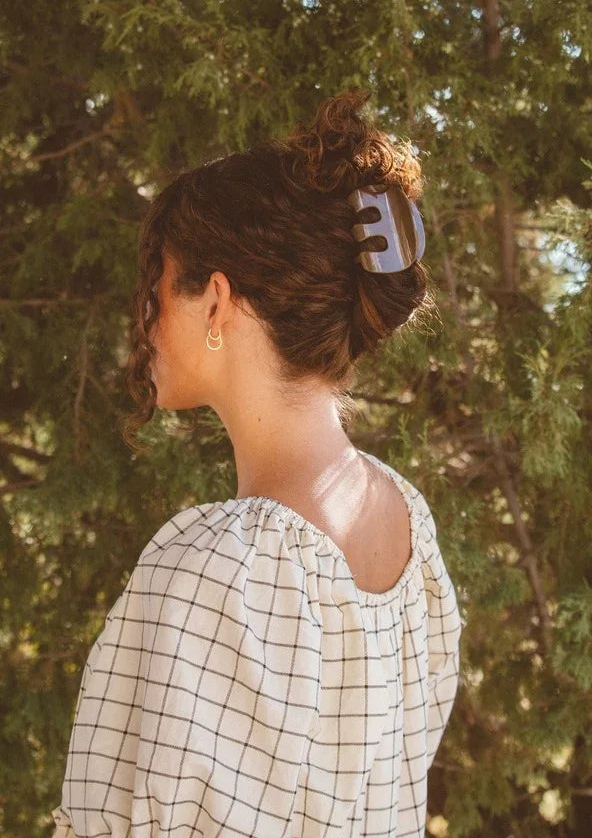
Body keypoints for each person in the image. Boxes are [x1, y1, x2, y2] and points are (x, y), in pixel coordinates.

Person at [51, 88, 463, 837]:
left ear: (216, 303)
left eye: (156, 285)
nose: (141, 319)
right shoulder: (410, 529)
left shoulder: (217, 568)